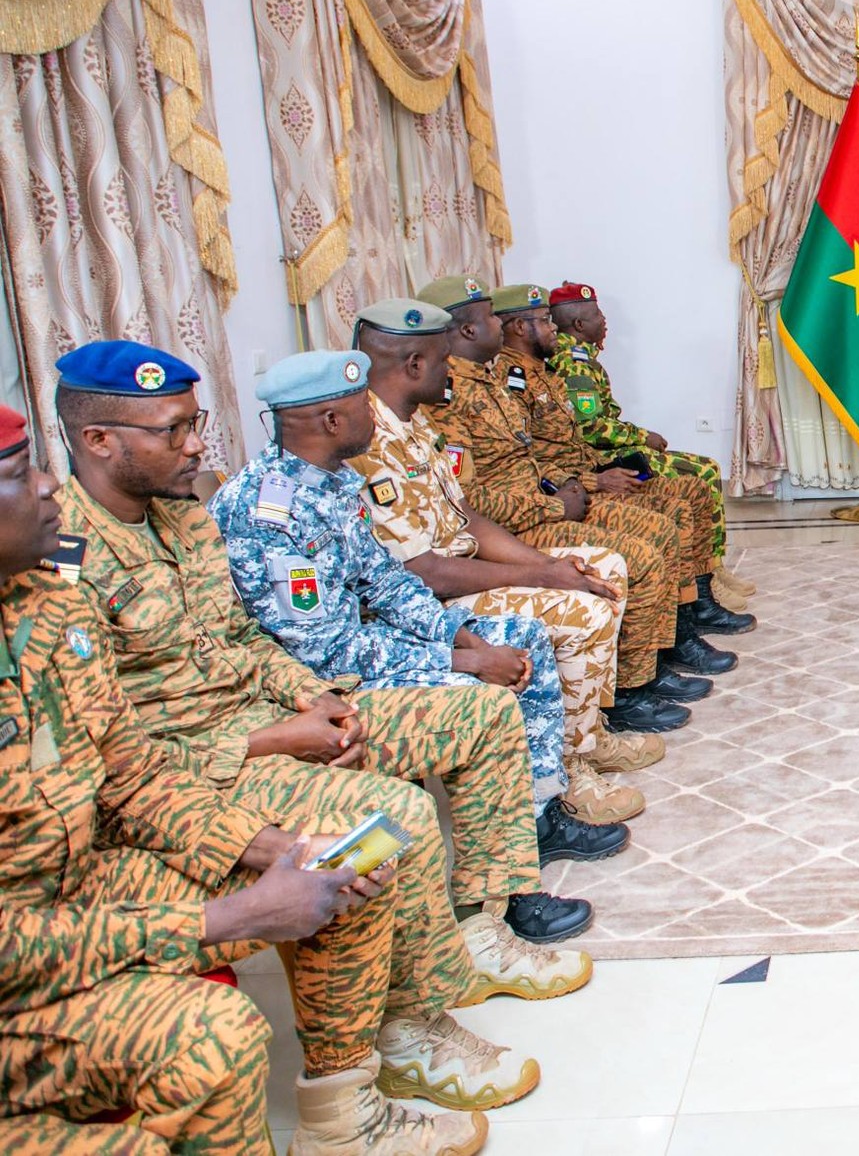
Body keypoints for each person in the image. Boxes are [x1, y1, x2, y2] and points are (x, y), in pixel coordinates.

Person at [0, 401, 506, 1152]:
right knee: (219, 1033)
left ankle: (345, 1113)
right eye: (18, 473)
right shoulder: (76, 562)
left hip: (95, 868)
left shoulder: (41, 608)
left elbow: (133, 772)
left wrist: (267, 845)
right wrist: (231, 917)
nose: (46, 485)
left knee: (343, 857)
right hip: (47, 917)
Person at [53, 340, 596, 987]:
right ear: (98, 439)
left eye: (192, 425)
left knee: (484, 714)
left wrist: (314, 698)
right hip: (206, 763)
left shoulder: (183, 520)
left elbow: (247, 637)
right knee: (399, 816)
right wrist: (283, 735)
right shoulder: (64, 568)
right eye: (175, 431)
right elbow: (119, 752)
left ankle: (485, 920)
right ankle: (416, 1009)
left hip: (274, 709)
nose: (198, 447)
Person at [210, 350, 631, 887]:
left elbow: (385, 582)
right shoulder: (269, 510)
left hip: (363, 645)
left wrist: (464, 637)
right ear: (332, 421)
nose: (373, 412)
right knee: (485, 695)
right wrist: (462, 661)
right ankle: (500, 879)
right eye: (361, 403)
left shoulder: (333, 483)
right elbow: (318, 652)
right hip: (319, 686)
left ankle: (539, 811)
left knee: (522, 635)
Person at [350, 299, 684, 826]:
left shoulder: (410, 426)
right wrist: (541, 573)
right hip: (427, 601)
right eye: (442, 360)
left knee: (600, 571)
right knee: (583, 610)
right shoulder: (367, 440)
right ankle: (568, 773)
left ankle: (585, 739)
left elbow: (465, 521)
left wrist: (552, 567)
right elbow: (425, 571)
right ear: (415, 366)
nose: (451, 371)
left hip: (464, 567)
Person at [422, 273, 728, 695]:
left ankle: (671, 640)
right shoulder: (449, 395)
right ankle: (634, 689)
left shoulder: (492, 381)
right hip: (516, 525)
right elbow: (468, 499)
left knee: (674, 508)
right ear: (472, 329)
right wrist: (567, 498)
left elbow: (532, 458)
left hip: (553, 497)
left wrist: (584, 482)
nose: (553, 330)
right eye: (493, 317)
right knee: (646, 544)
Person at [548, 280, 754, 604]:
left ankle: (713, 567)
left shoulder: (578, 357)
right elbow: (591, 429)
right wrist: (644, 437)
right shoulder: (574, 363)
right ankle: (705, 582)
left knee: (707, 468)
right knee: (702, 472)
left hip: (607, 450)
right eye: (597, 315)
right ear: (578, 324)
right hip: (598, 459)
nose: (605, 322)